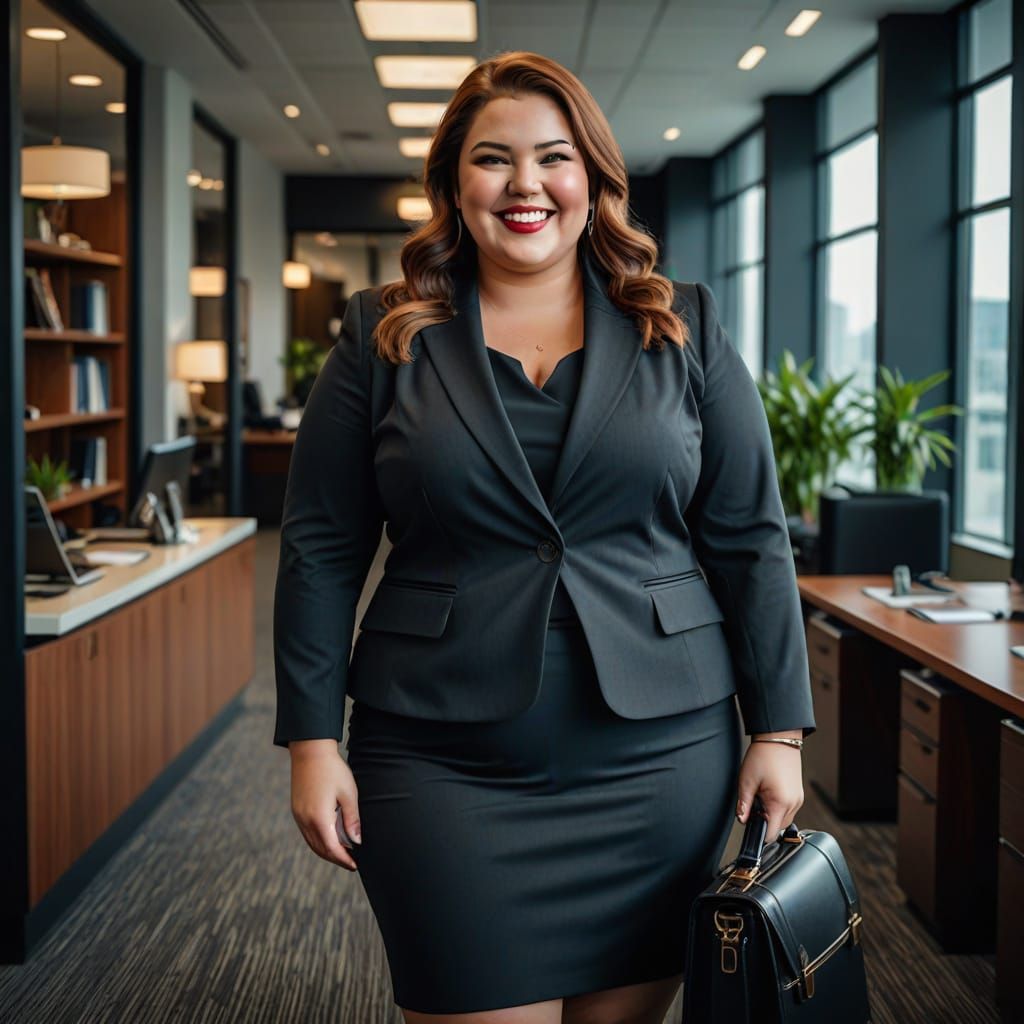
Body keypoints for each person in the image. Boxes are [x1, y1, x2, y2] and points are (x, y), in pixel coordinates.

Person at [274, 50, 815, 1024]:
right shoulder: (381, 336)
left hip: (660, 761)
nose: (525, 184)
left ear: (593, 180)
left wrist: (777, 730)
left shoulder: (683, 327)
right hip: (440, 759)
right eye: (493, 159)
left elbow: (750, 538)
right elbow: (320, 547)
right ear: (453, 185)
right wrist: (311, 740)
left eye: (553, 157)